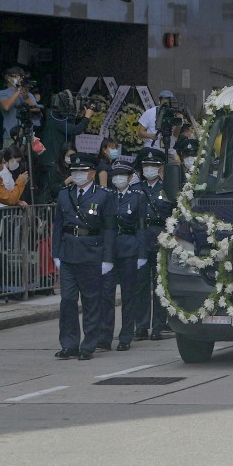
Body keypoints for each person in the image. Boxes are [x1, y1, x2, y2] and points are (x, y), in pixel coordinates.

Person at [51, 153, 115, 361]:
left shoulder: (103, 196)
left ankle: (88, 344)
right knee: (68, 300)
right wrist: (56, 254)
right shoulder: (64, 195)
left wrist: (107, 258)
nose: (77, 175)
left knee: (91, 301)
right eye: (74, 171)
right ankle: (69, 344)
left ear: (92, 173)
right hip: (69, 253)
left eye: (82, 171)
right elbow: (58, 227)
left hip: (92, 253)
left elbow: (109, 230)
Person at [97, 162, 146, 352]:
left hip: (129, 248)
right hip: (109, 250)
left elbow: (141, 227)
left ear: (129, 177)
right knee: (106, 294)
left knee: (128, 294)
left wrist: (141, 253)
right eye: (115, 175)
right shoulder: (107, 196)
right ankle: (105, 336)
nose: (118, 179)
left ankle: (126, 335)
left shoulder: (137, 197)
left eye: (122, 175)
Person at [133, 147, 175, 341]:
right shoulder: (136, 189)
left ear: (160, 168)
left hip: (160, 238)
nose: (149, 168)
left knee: (160, 285)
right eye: (146, 165)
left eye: (154, 165)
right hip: (141, 240)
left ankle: (159, 325)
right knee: (140, 285)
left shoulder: (168, 188)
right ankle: (141, 325)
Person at [0, 67, 40, 147]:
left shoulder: (28, 94)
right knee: (12, 159)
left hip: (27, 136)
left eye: (19, 76)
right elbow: (6, 106)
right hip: (11, 136)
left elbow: (35, 111)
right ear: (8, 78)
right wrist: (19, 90)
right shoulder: (2, 93)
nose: (17, 79)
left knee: (28, 159)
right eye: (14, 76)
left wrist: (26, 97)